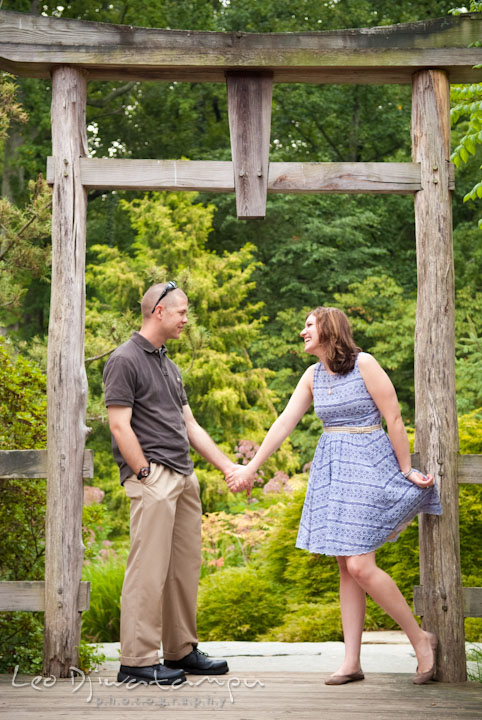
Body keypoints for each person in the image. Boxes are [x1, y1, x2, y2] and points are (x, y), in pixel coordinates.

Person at [226, 306, 442, 686]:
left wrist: (406, 469)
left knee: (360, 565)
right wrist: (251, 467)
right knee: (346, 566)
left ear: (329, 328)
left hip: (369, 463)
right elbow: (283, 424)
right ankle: (351, 662)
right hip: (334, 470)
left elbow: (393, 416)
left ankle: (421, 639)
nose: (302, 332)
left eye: (308, 325)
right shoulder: (311, 376)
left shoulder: (365, 364)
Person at [103, 281, 235, 686]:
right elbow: (118, 424)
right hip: (154, 476)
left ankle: (181, 650)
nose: (186, 319)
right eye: (182, 312)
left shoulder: (168, 364)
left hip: (184, 476)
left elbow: (189, 425)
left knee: (182, 568)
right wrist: (143, 473)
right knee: (147, 569)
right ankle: (138, 661)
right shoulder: (124, 359)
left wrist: (230, 466)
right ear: (158, 311)